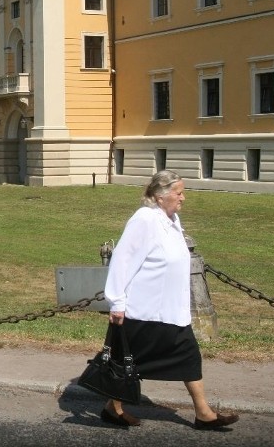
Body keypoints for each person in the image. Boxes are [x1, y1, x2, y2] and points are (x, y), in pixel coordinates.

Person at [102, 170, 239, 430]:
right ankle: (113, 407)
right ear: (160, 195)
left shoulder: (171, 219)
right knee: (129, 365)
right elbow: (122, 260)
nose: (183, 198)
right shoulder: (145, 220)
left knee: (189, 357)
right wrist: (117, 301)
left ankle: (203, 413)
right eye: (178, 193)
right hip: (145, 311)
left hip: (171, 311)